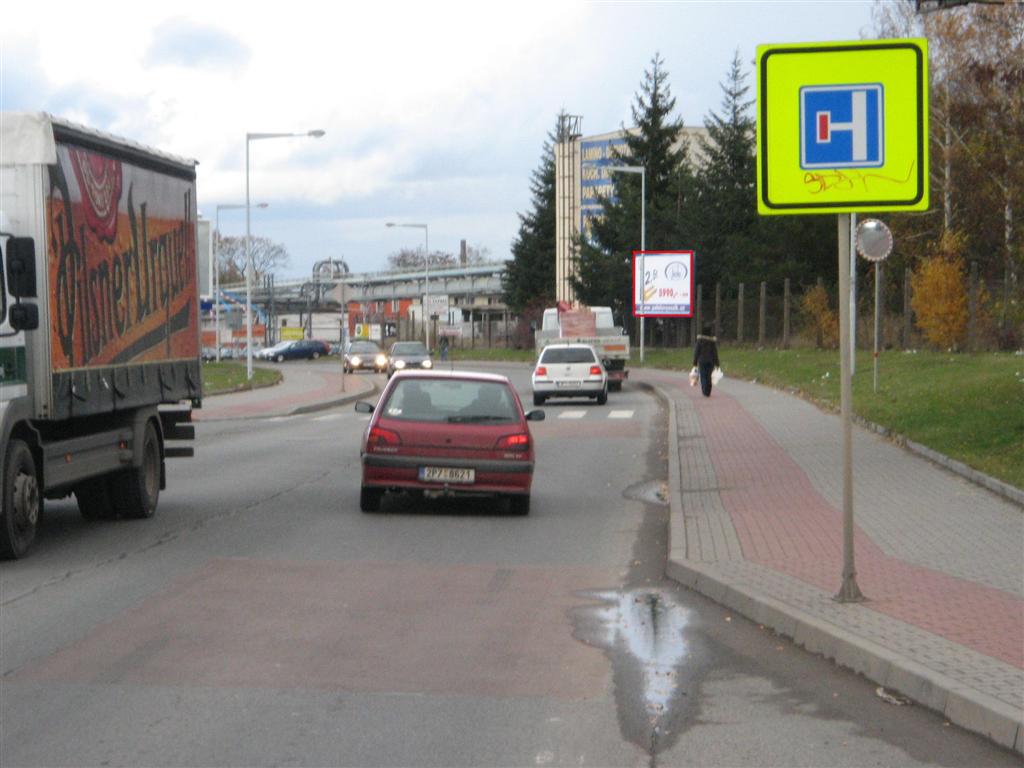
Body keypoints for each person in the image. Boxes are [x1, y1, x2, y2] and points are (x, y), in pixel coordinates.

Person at [692, 323, 720, 398]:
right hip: (711, 361)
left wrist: (694, 362)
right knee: (709, 376)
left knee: (703, 376)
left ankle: (704, 390)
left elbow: (696, 352)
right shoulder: (712, 342)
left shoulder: (700, 341)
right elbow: (715, 353)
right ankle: (708, 390)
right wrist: (717, 363)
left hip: (702, 361)